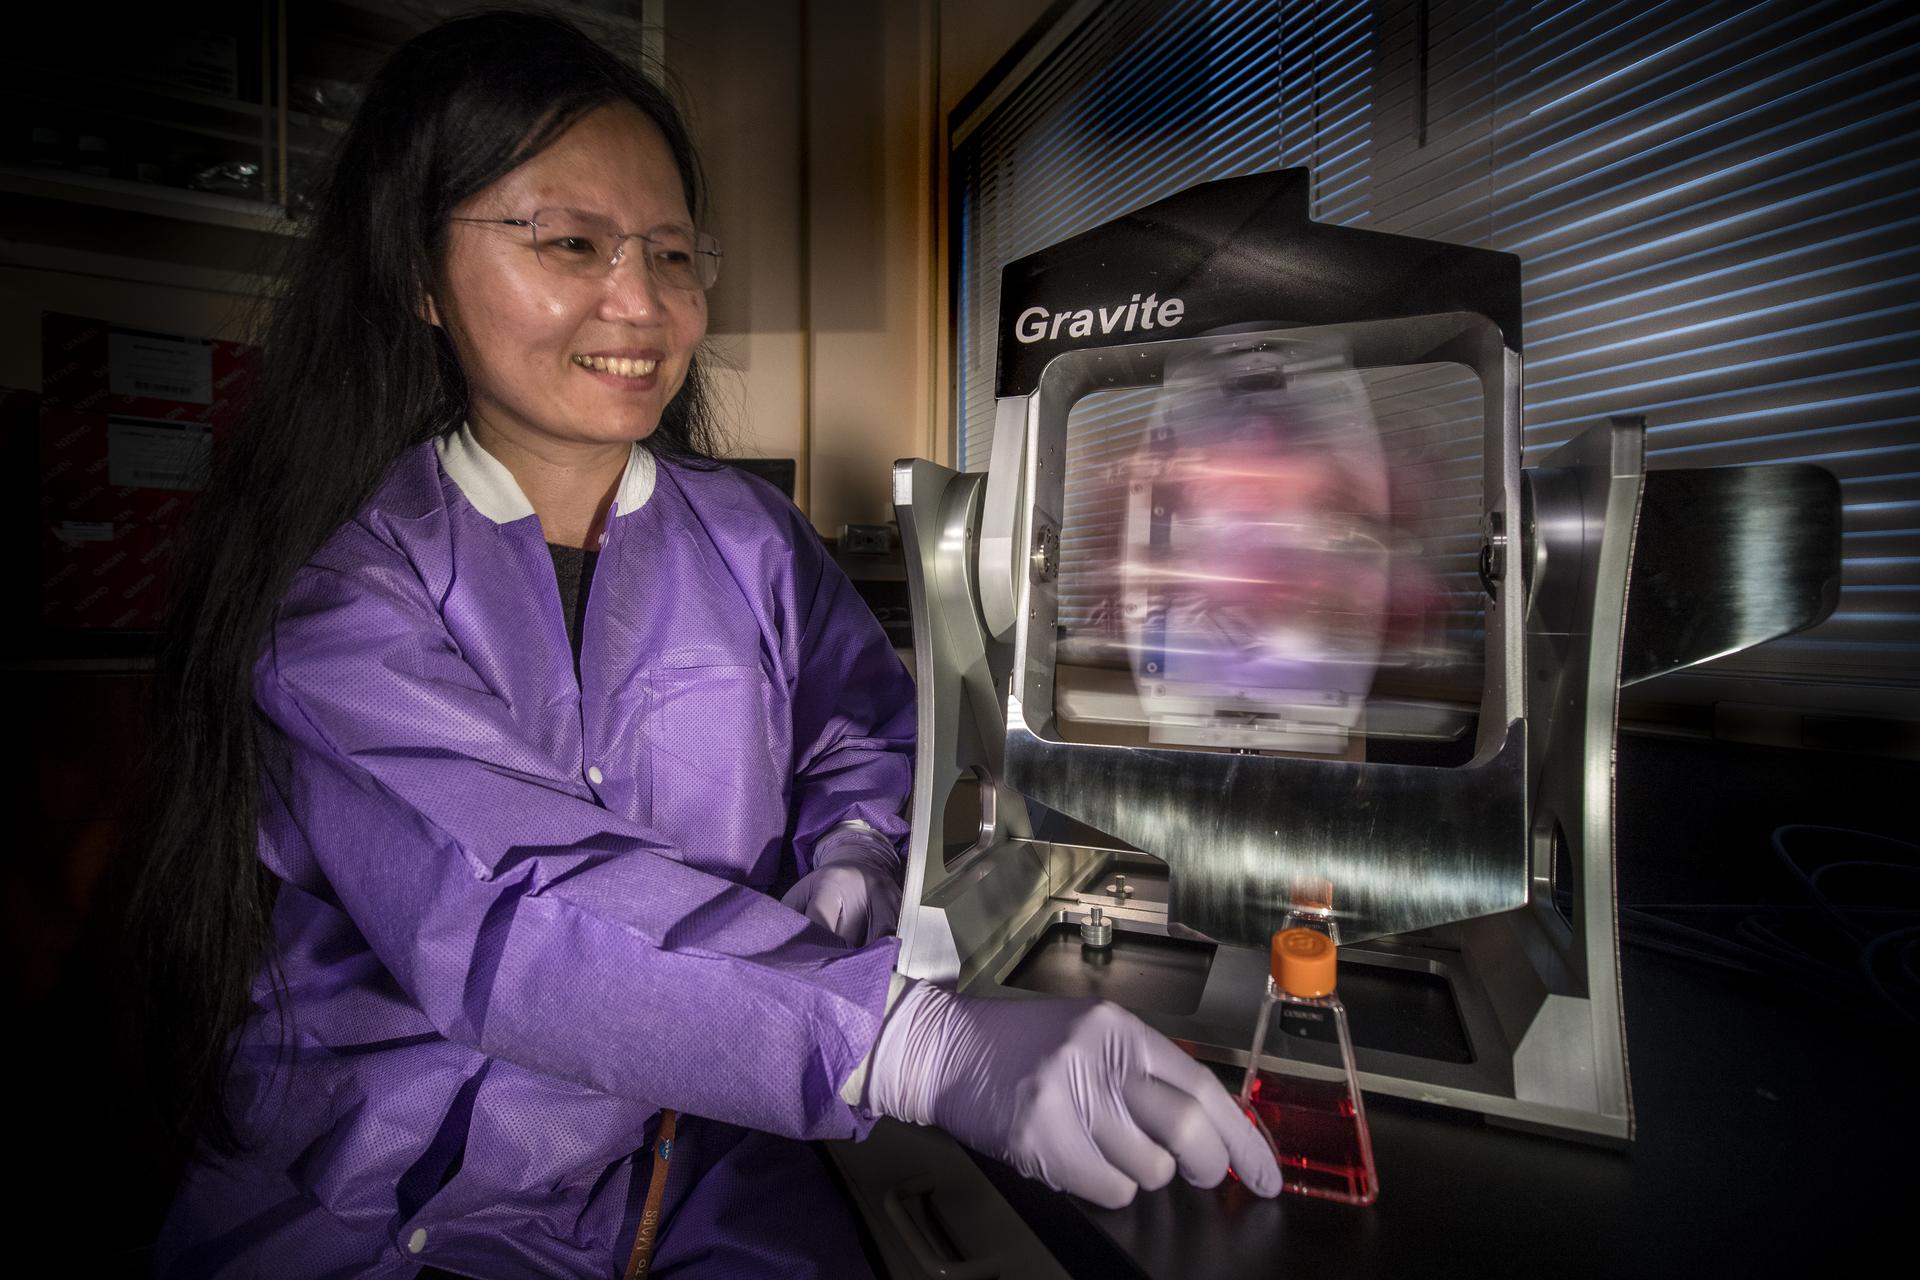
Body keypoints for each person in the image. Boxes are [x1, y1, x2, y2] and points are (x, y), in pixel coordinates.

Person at [124, 12, 1281, 1279]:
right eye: (570, 242)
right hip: (395, 1198)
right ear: (416, 273)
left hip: (693, 1161)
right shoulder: (345, 597)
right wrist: (905, 1039)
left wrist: (854, 843)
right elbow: (507, 899)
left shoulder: (750, 537)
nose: (642, 302)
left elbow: (863, 729)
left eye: (672, 253)